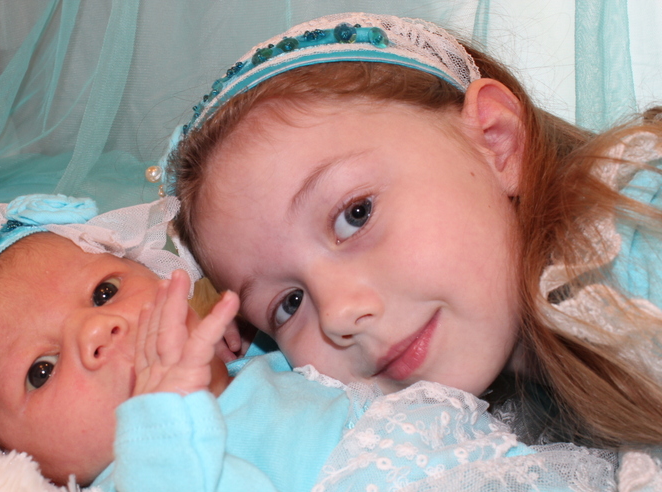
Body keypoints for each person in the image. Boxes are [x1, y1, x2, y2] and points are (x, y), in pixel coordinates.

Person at [0, 193, 653, 492]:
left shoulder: (270, 357)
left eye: (105, 291)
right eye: (41, 371)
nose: (98, 333)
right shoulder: (140, 491)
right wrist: (164, 424)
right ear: (19, 462)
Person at [167, 12, 662, 448]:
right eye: (289, 304)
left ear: (496, 143)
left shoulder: (637, 237)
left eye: (356, 214)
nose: (339, 313)